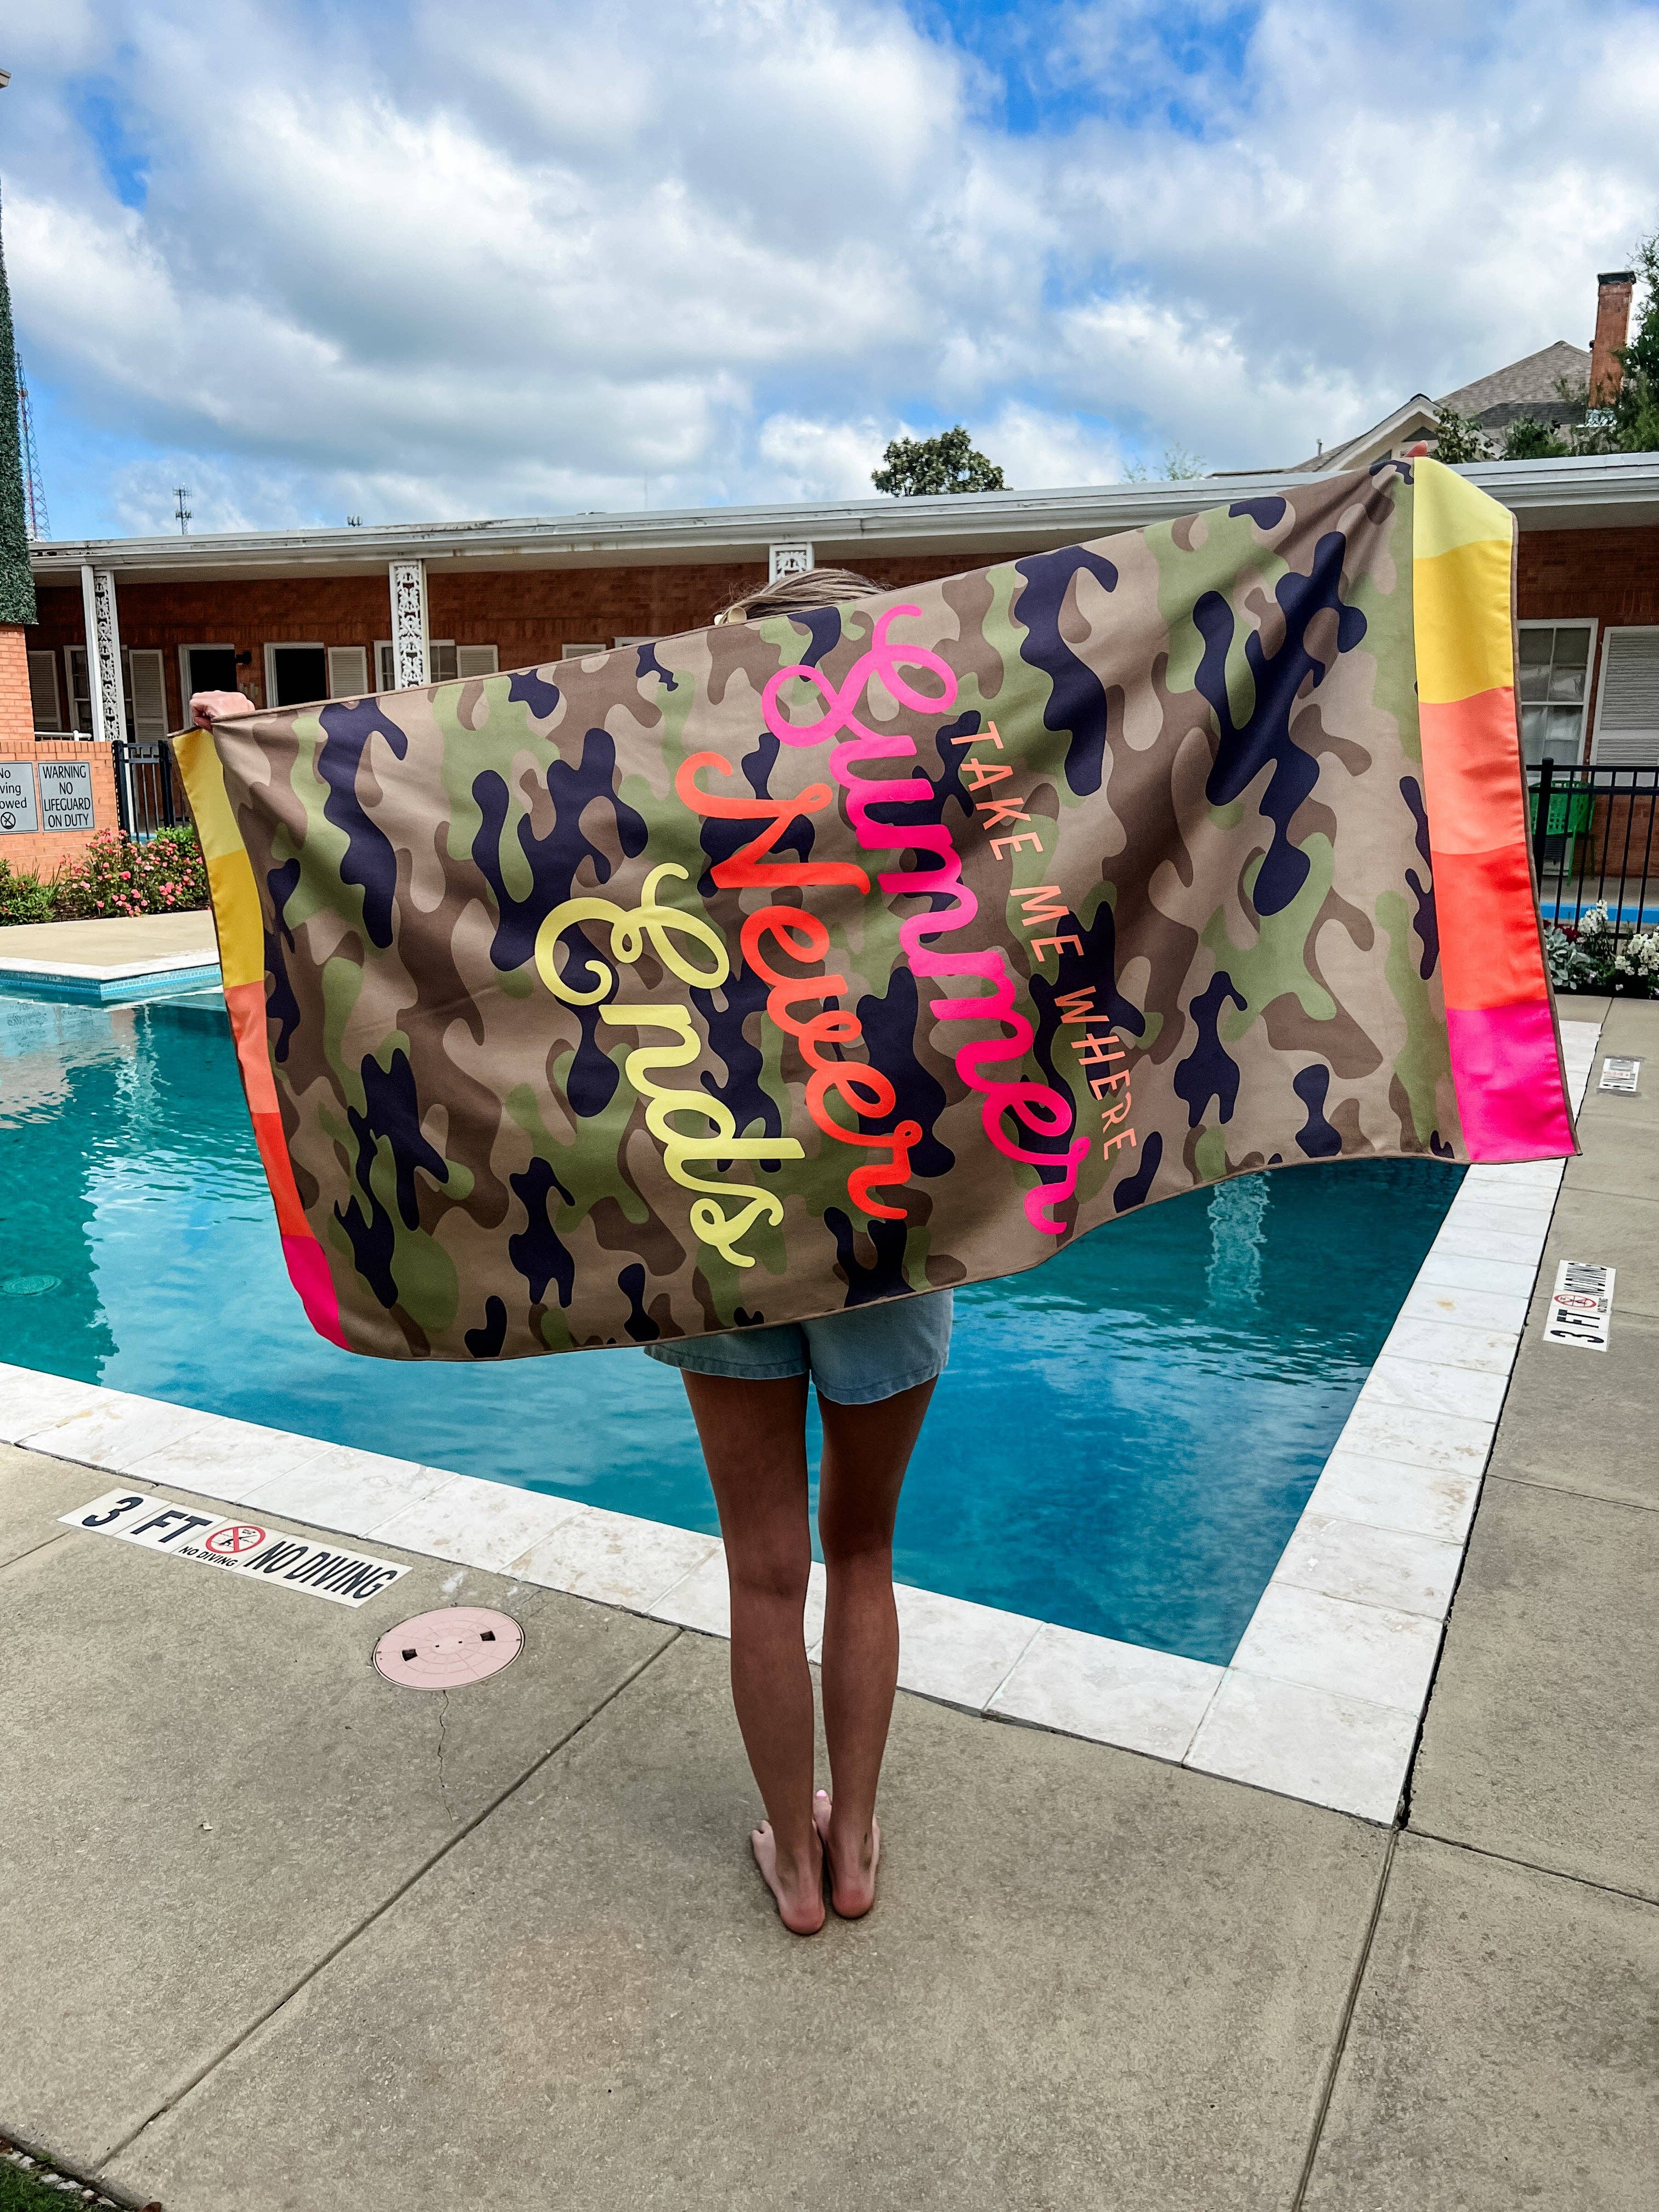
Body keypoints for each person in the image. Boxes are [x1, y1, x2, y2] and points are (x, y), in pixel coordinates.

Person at [191, 565, 949, 1937]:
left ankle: (793, 1867)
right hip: (889, 1234)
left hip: (712, 1229)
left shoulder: (660, 822)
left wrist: (266, 750)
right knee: (864, 1553)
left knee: (766, 1568)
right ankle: (855, 1848)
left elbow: (463, 831)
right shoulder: (925, 839)